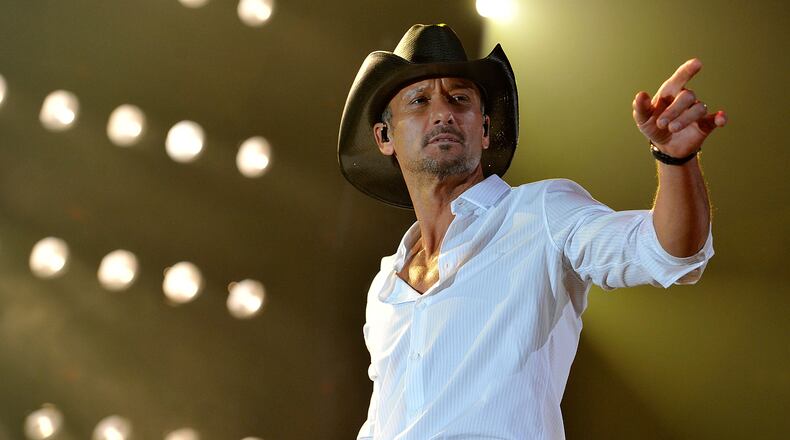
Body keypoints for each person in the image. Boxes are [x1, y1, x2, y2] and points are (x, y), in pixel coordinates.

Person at [337, 24, 727, 440]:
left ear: (484, 129)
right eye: (419, 100)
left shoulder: (541, 213)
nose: (443, 112)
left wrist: (674, 161)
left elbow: (669, 251)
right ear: (384, 137)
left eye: (459, 98)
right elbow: (381, 423)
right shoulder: (385, 286)